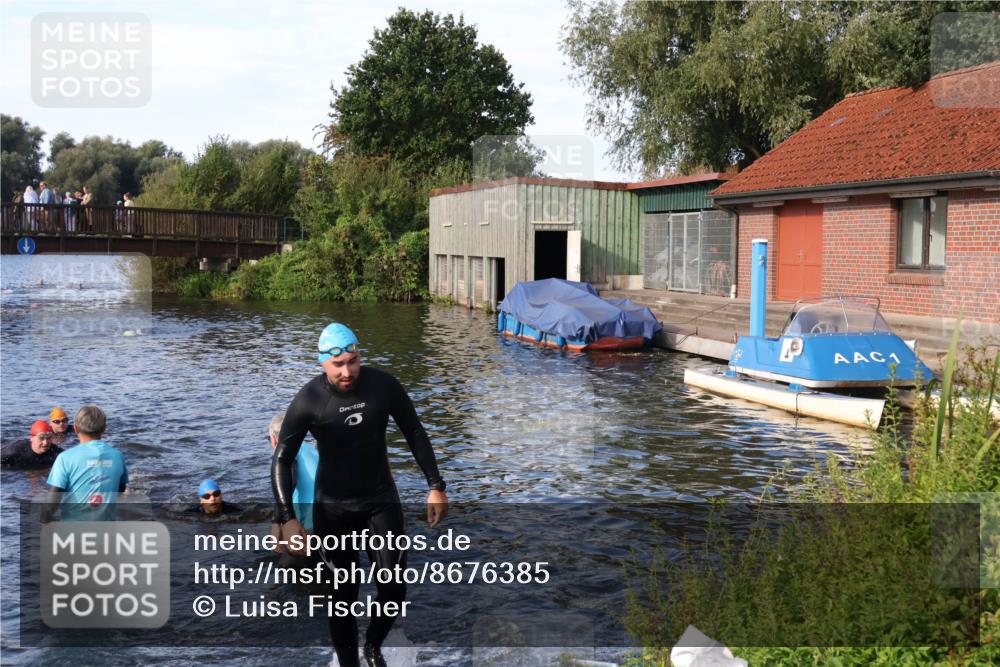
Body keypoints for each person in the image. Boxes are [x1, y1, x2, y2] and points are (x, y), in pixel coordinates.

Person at [272, 322, 448, 667]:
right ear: (323, 362)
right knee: (342, 597)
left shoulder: (383, 386)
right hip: (333, 510)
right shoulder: (309, 400)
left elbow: (414, 431)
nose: (347, 370)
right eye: (338, 365)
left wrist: (435, 486)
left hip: (380, 500)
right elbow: (282, 458)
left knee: (393, 590)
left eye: (352, 361)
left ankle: (372, 646)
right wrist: (287, 518)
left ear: (359, 356)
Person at [42, 405, 127, 522]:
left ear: (76, 429)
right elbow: (120, 490)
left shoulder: (65, 458)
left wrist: (44, 523)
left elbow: (52, 501)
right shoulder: (118, 456)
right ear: (104, 429)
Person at [268, 413, 319, 547]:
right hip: (330, 518)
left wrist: (276, 522)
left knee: (281, 564)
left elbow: (289, 483)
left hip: (310, 524)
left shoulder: (288, 453)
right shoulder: (310, 449)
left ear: (274, 438)